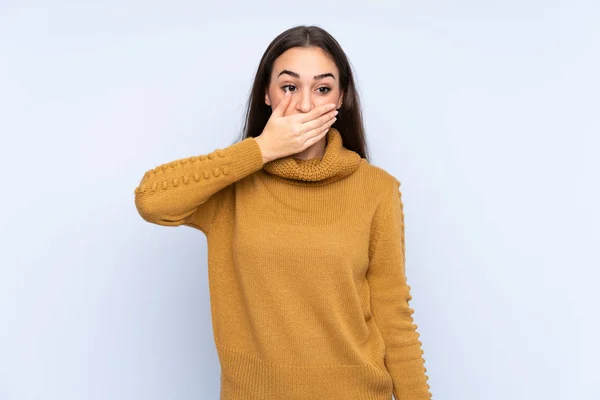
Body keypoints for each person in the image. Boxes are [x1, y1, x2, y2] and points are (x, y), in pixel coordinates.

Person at [133, 25, 431, 400]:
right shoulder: (233, 187)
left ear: (341, 99)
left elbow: (393, 316)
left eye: (322, 88)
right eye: (290, 87)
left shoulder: (376, 189)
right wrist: (259, 150)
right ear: (267, 95)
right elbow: (151, 200)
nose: (305, 104)